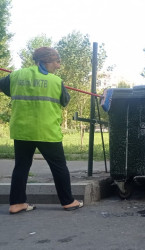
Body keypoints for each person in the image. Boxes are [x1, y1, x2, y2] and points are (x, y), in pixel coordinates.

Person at [0, 47, 83, 214]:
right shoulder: (55, 81)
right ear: (46, 61)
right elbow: (65, 101)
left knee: (21, 167)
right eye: (57, 62)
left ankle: (17, 203)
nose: (58, 66)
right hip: (47, 132)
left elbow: (5, 87)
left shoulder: (16, 75)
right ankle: (68, 201)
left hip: (23, 130)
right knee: (59, 167)